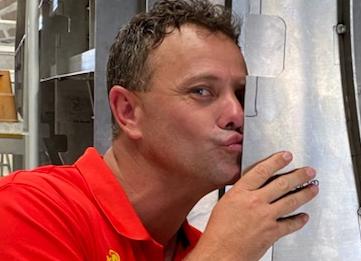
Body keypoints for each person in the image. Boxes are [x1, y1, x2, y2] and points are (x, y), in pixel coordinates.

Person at [0, 0, 319, 260]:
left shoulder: (194, 248)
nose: (236, 114)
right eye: (202, 91)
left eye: (240, 94)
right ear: (128, 112)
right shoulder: (28, 212)